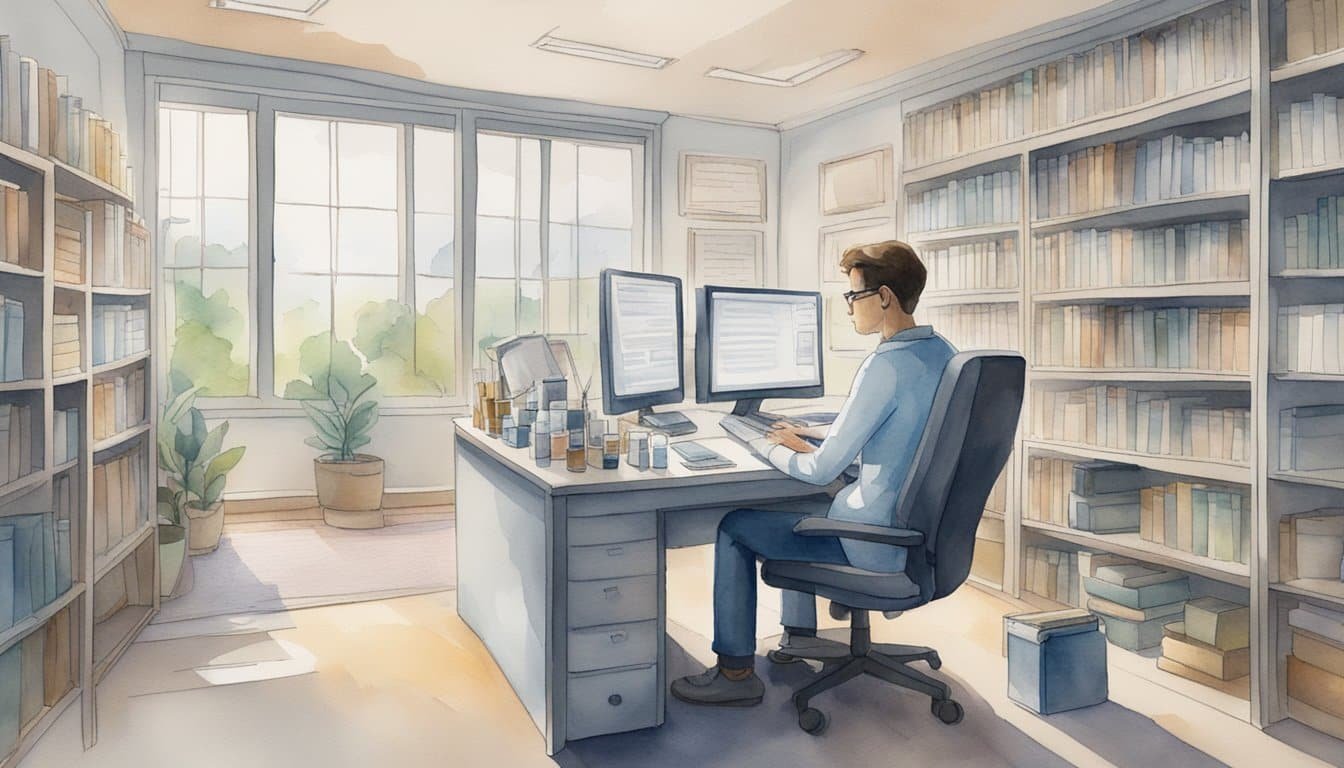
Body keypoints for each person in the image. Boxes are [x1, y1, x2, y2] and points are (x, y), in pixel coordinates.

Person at [671, 240, 958, 707]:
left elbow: (817, 471)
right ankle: (799, 637)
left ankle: (736, 672)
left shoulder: (885, 365)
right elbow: (906, 441)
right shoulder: (943, 354)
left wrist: (762, 442)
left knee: (736, 527)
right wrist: (811, 439)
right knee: (801, 506)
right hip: (916, 537)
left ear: (884, 297)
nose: (848, 309)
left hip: (873, 541)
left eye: (853, 297)